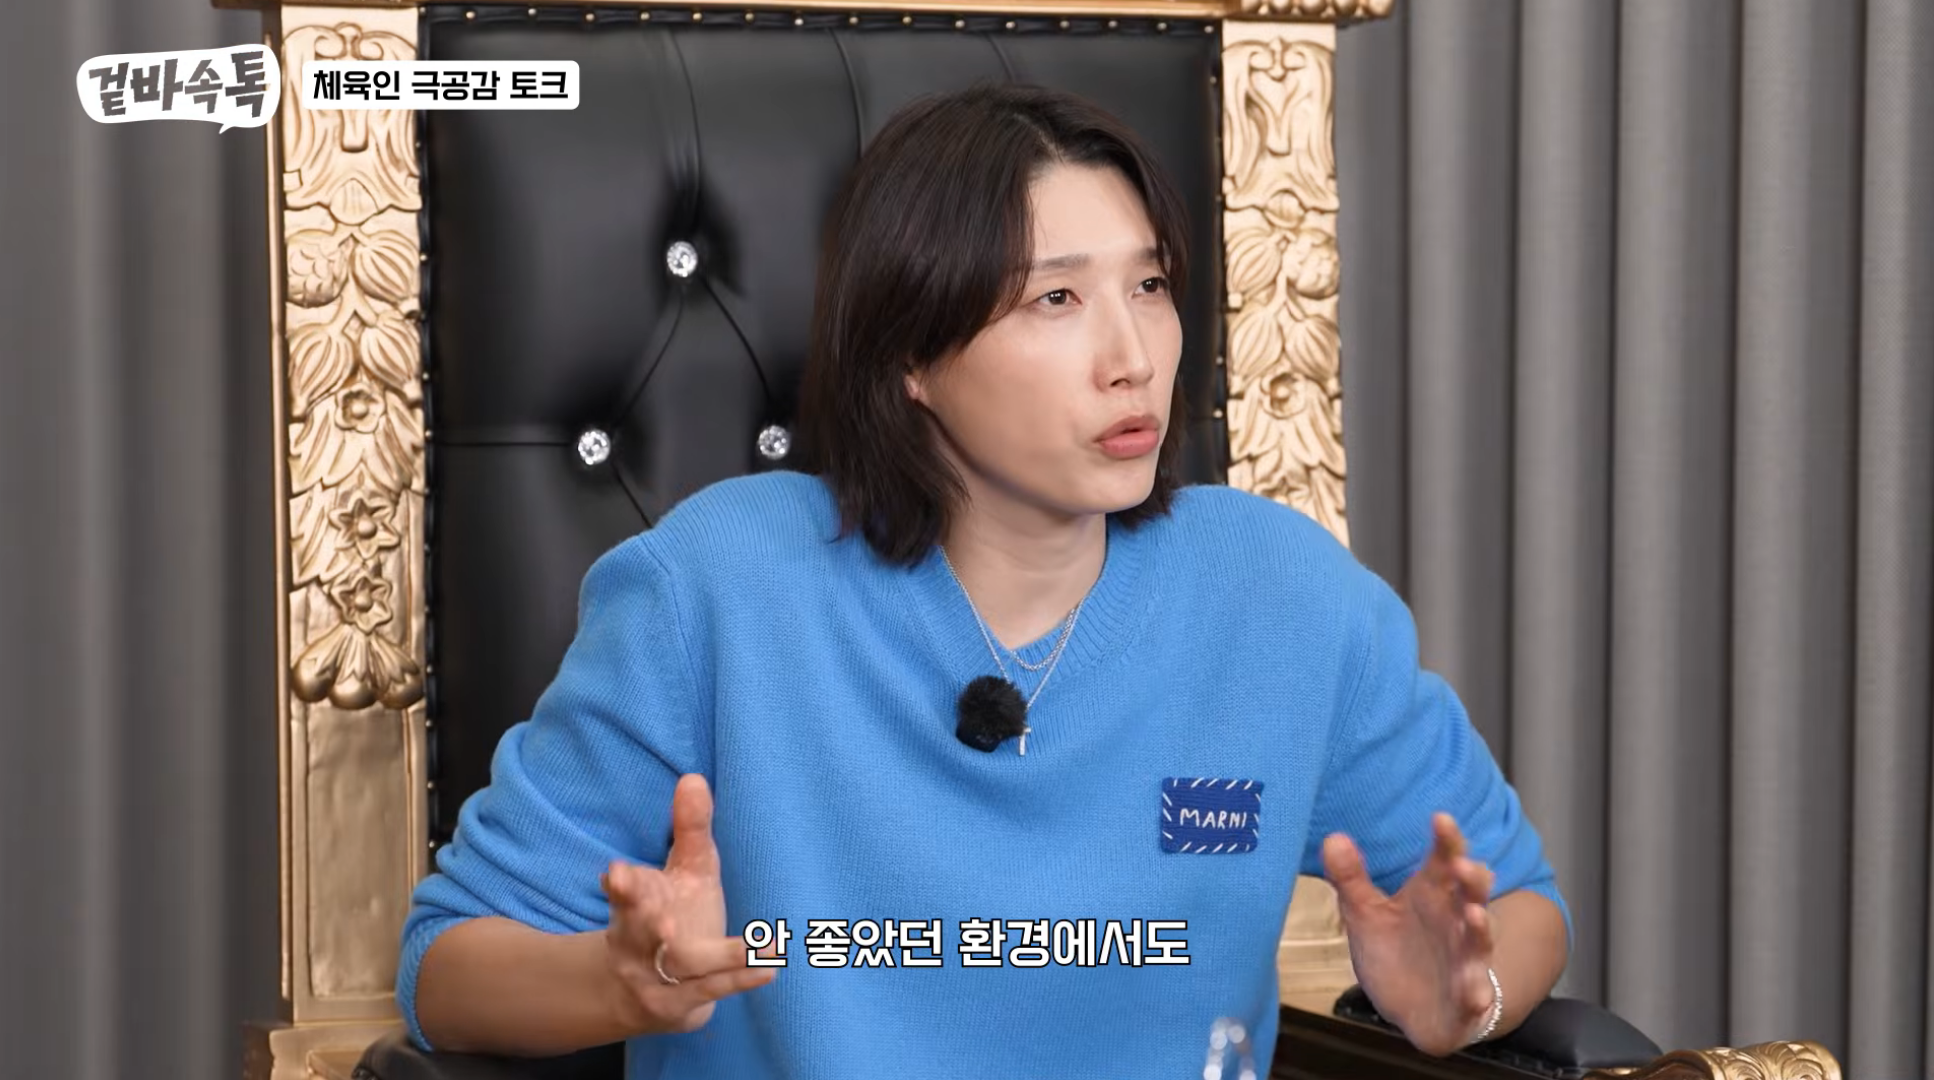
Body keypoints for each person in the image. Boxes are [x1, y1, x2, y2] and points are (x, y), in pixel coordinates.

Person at [398, 83, 1571, 1078]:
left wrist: (1459, 1002)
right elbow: (446, 965)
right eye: (1055, 299)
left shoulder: (1279, 596)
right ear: (909, 352)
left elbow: (1517, 906)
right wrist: (620, 986)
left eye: (1149, 286)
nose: (1131, 359)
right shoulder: (715, 590)